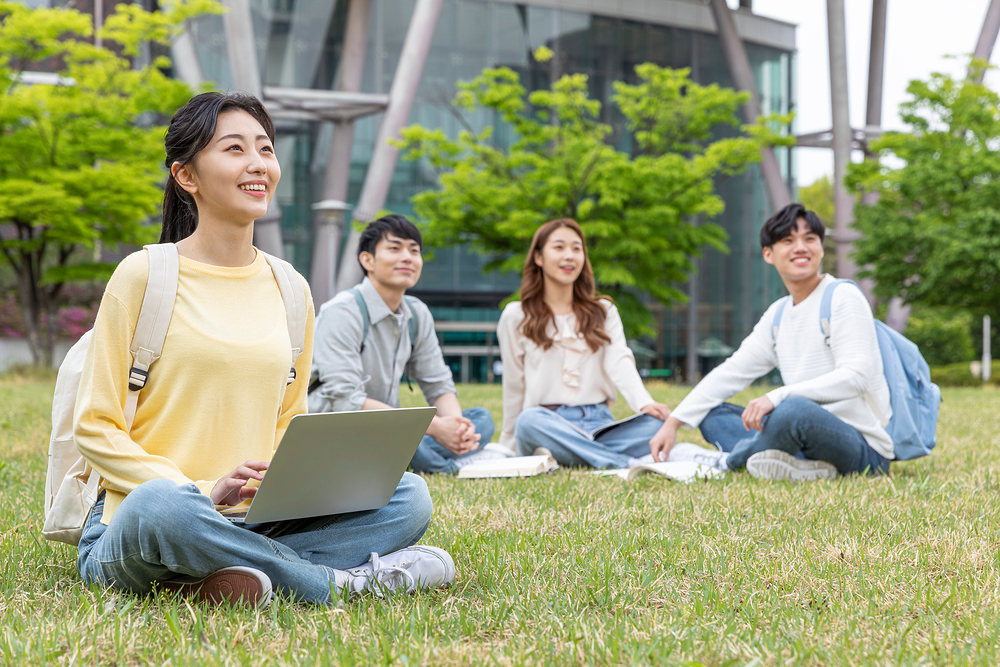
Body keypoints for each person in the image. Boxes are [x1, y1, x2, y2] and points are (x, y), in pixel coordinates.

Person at [74, 92, 454, 608]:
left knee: (410, 497)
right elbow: (95, 427)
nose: (258, 165)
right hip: (144, 517)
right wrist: (203, 489)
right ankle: (334, 582)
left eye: (266, 149)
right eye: (234, 149)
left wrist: (287, 480)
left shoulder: (290, 287)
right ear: (187, 176)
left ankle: (223, 570)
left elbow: (286, 421)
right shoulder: (144, 275)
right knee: (164, 507)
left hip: (257, 515)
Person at [653, 203, 893, 480]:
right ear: (768, 254)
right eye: (788, 240)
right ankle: (797, 466)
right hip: (802, 436)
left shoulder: (842, 296)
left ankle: (728, 461)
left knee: (792, 409)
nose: (801, 247)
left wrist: (777, 396)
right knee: (713, 414)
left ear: (821, 249)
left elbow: (857, 377)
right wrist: (673, 422)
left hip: (862, 449)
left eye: (810, 239)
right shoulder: (778, 314)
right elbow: (731, 373)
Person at [309, 215, 498, 474]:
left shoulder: (416, 313)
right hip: (338, 428)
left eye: (414, 250)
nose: (407, 257)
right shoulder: (342, 312)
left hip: (388, 426)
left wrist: (454, 427)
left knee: (481, 421)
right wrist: (433, 428)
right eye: (395, 248)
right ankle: (447, 467)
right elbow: (347, 401)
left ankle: (412, 454)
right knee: (402, 437)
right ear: (368, 260)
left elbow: (438, 383)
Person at [497, 218, 672, 468]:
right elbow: (514, 385)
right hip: (546, 423)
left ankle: (577, 454)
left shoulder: (604, 311)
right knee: (528, 422)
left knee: (658, 424)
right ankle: (621, 463)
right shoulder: (516, 315)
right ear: (538, 257)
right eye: (559, 247)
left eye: (577, 248)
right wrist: (509, 445)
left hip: (600, 423)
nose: (569, 256)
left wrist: (644, 403)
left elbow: (619, 360)